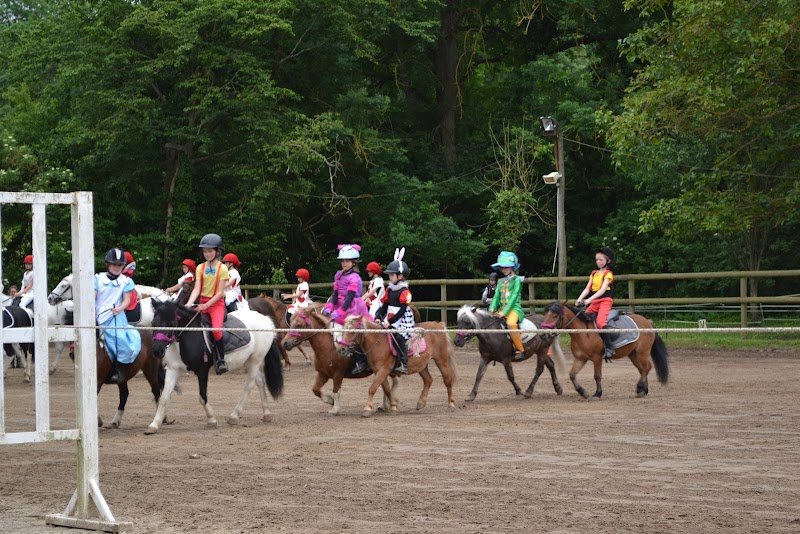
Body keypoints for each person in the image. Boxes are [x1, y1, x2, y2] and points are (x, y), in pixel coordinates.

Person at [95, 248, 141, 384]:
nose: (117, 267)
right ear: (108, 264)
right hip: (98, 314)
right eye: (114, 264)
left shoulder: (126, 282)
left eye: (120, 265)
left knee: (120, 340)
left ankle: (119, 369)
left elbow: (127, 300)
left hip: (116, 316)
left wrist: (119, 308)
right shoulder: (98, 279)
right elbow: (93, 297)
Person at [185, 234, 230, 375]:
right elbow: (197, 288)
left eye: (210, 251)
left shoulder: (223, 268)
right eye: (205, 251)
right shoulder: (200, 267)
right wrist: (189, 303)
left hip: (216, 304)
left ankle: (221, 359)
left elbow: (219, 293)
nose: (207, 253)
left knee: (216, 330)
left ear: (217, 251)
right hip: (202, 301)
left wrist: (207, 305)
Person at [374, 248, 414, 374]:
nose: (390, 277)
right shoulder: (389, 290)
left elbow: (402, 311)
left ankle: (403, 363)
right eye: (390, 275)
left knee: (398, 336)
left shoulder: (405, 291)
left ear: (400, 276)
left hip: (402, 319)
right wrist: (378, 316)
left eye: (392, 274)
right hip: (390, 315)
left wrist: (390, 322)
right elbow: (385, 306)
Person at [575, 246, 616, 361]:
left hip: (605, 301)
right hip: (595, 301)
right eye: (597, 259)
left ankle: (609, 347)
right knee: (583, 319)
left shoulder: (608, 274)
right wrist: (579, 299)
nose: (598, 262)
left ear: (607, 261)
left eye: (601, 260)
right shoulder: (594, 273)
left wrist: (588, 300)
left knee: (600, 322)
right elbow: (587, 288)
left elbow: (603, 290)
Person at [322, 244, 369, 332]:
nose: (344, 263)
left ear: (354, 262)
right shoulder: (338, 275)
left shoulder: (354, 277)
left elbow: (350, 297)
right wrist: (329, 306)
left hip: (352, 306)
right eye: (342, 261)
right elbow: (335, 294)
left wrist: (341, 311)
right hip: (340, 304)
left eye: (347, 261)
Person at [489, 251, 526, 362]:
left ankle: (520, 350)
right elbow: (496, 297)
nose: (503, 269)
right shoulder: (500, 281)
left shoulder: (517, 281)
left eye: (506, 267)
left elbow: (513, 298)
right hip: (501, 310)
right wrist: (491, 309)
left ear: (512, 267)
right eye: (502, 267)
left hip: (514, 309)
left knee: (510, 323)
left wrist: (504, 313)